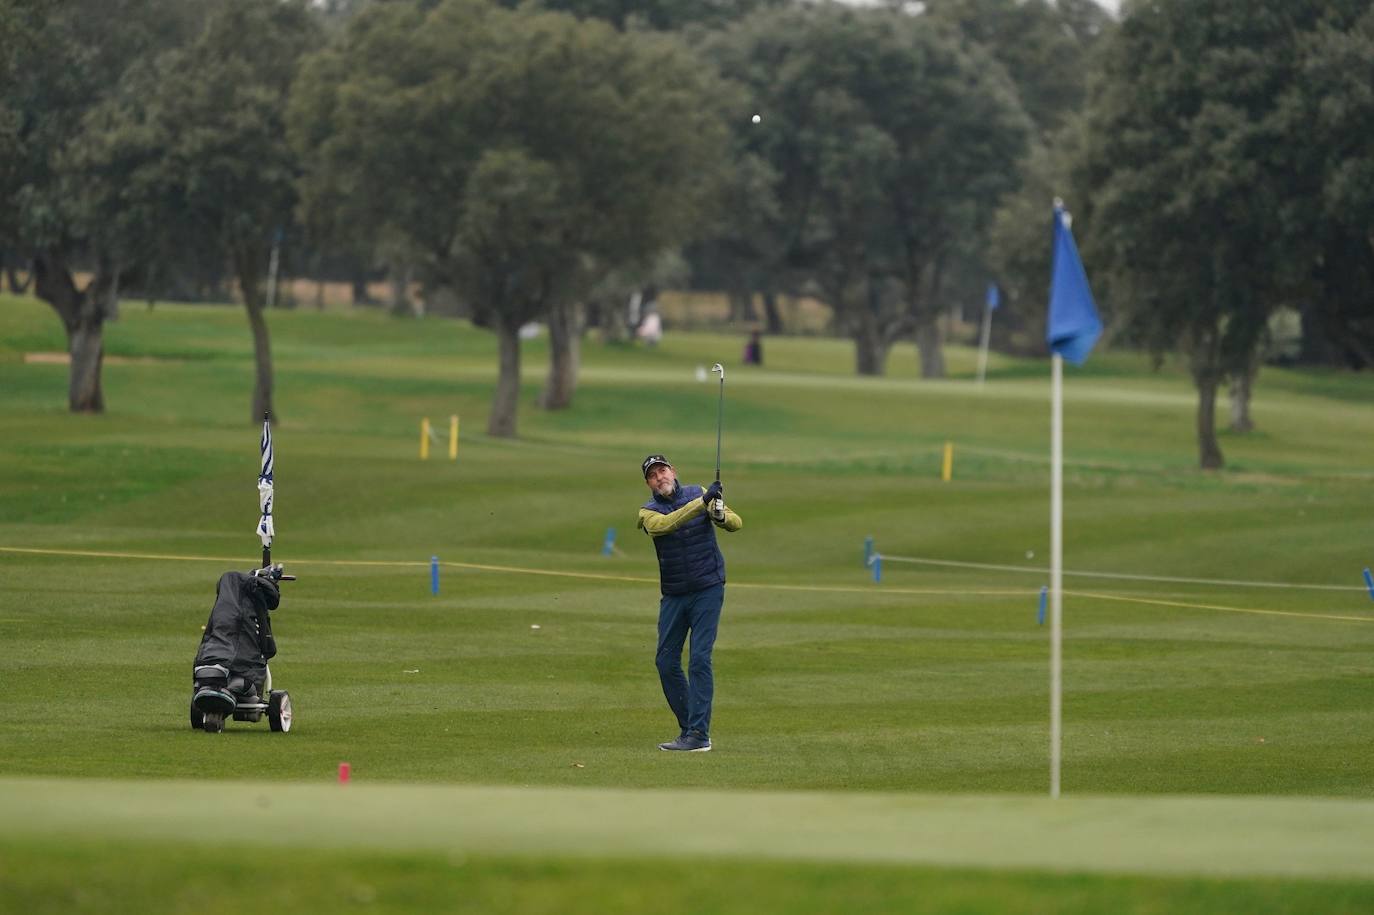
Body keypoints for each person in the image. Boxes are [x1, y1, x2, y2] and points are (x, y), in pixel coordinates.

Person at [636, 454, 742, 752]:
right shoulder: (648, 512)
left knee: (699, 659)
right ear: (649, 484)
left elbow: (736, 523)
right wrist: (704, 502)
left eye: (663, 471)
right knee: (666, 662)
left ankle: (698, 734)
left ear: (673, 472)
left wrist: (720, 514)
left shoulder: (699, 493)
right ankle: (689, 729)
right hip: (674, 593)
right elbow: (666, 525)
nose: (660, 478)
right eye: (653, 476)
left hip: (708, 587)